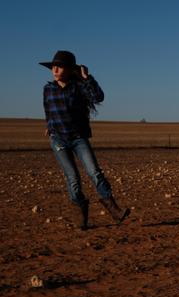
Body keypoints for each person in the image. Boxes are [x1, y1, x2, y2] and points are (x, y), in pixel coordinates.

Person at [40, 50, 130, 230]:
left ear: (69, 70)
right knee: (72, 177)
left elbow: (98, 97)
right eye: (53, 67)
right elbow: (48, 110)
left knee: (94, 172)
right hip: (58, 140)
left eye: (59, 66)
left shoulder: (79, 87)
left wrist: (87, 77)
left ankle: (114, 210)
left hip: (78, 138)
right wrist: (49, 128)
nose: (55, 69)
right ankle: (81, 215)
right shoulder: (48, 89)